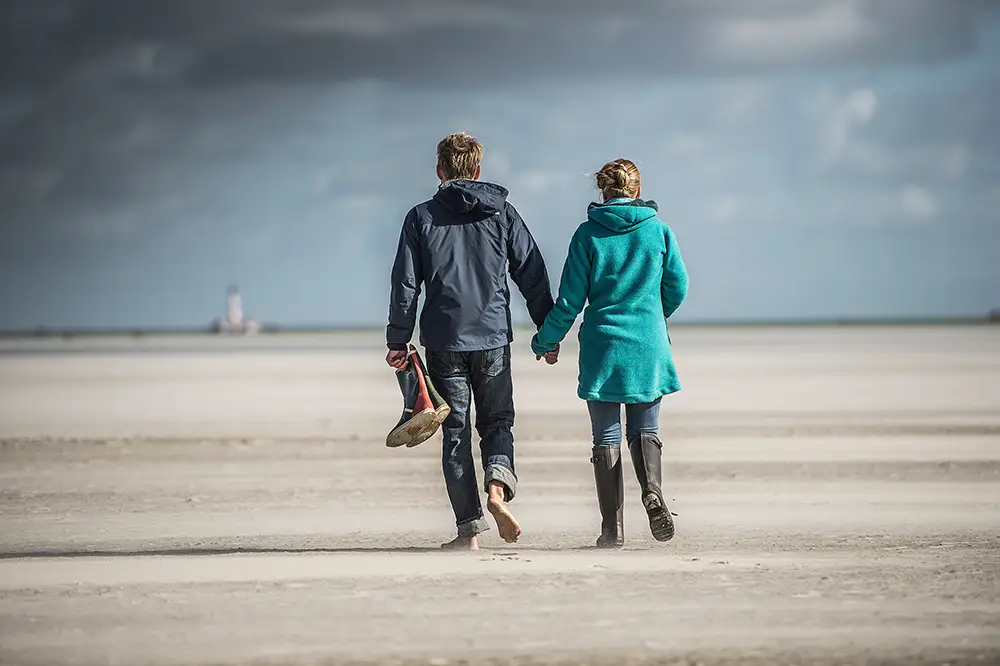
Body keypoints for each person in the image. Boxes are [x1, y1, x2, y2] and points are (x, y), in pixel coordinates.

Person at [386, 132, 555, 550]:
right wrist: (546, 328)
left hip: (444, 341)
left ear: (440, 171)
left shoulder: (421, 217)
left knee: (456, 433)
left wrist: (398, 338)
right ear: (477, 170)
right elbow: (530, 271)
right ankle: (497, 489)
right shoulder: (503, 213)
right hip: (494, 336)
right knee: (497, 423)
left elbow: (406, 284)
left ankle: (469, 532)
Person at [531, 158, 688, 548]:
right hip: (647, 344)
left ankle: (612, 530)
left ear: (603, 192)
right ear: (636, 190)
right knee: (646, 430)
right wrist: (653, 315)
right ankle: (651, 490)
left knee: (606, 436)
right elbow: (678, 287)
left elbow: (569, 301)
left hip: (603, 345)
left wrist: (547, 341)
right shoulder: (659, 231)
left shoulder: (588, 235)